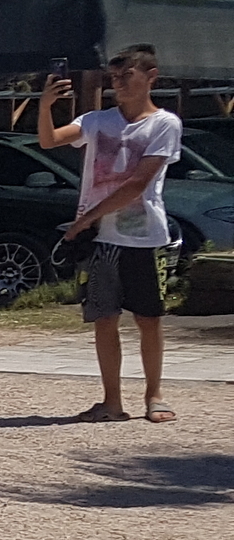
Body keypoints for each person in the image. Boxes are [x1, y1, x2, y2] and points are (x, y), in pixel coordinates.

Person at [38, 44, 181, 422]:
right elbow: (50, 140)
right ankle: (112, 400)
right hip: (102, 239)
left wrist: (85, 219)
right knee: (105, 317)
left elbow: (137, 184)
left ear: (150, 77)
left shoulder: (164, 124)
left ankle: (155, 395)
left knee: (148, 318)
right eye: (114, 78)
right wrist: (45, 104)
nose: (119, 84)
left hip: (143, 235)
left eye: (127, 76)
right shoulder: (97, 120)